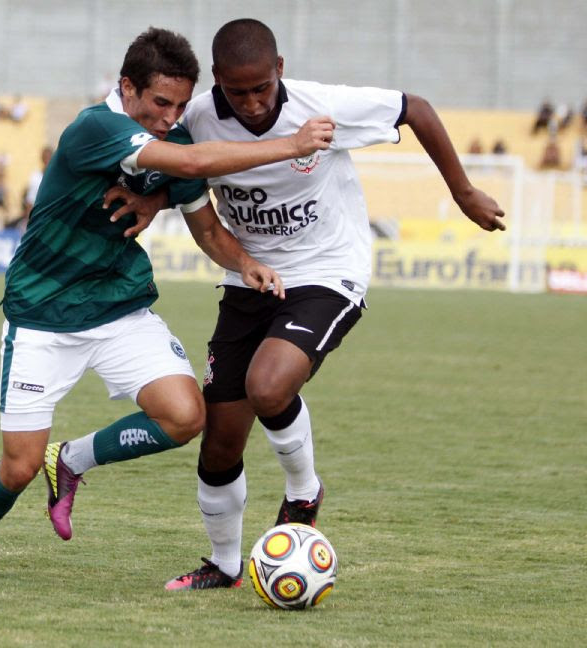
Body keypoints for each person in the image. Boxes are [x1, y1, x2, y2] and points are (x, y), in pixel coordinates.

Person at [0, 26, 334, 581]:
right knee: (19, 467)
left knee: (185, 417)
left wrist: (244, 263)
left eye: (180, 105)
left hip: (119, 308)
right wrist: (293, 145)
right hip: (42, 316)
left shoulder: (172, 139)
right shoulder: (95, 127)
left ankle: (73, 459)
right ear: (127, 87)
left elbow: (207, 228)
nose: (170, 117)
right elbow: (194, 163)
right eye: (160, 103)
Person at [152, 18, 504, 590]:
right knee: (220, 441)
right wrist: (146, 203)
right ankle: (223, 565)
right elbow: (176, 171)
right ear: (216, 80)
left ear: (280, 69)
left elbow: (415, 108)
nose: (252, 103)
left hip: (326, 273)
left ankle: (304, 492)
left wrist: (463, 193)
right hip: (248, 278)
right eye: (237, 93)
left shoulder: (323, 106)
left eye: (262, 88)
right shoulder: (195, 118)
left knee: (269, 386)